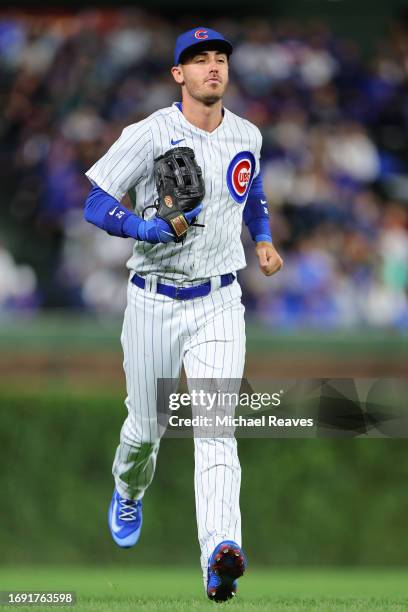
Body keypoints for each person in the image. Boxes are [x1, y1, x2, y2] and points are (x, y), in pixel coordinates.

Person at [83, 26, 283, 602]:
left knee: (217, 432)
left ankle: (220, 556)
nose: (213, 68)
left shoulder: (247, 133)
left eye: (220, 58)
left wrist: (263, 237)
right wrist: (140, 227)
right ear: (179, 75)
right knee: (146, 433)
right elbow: (95, 199)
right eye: (199, 61)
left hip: (220, 300)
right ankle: (128, 488)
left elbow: (252, 185)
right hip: (153, 297)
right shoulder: (150, 133)